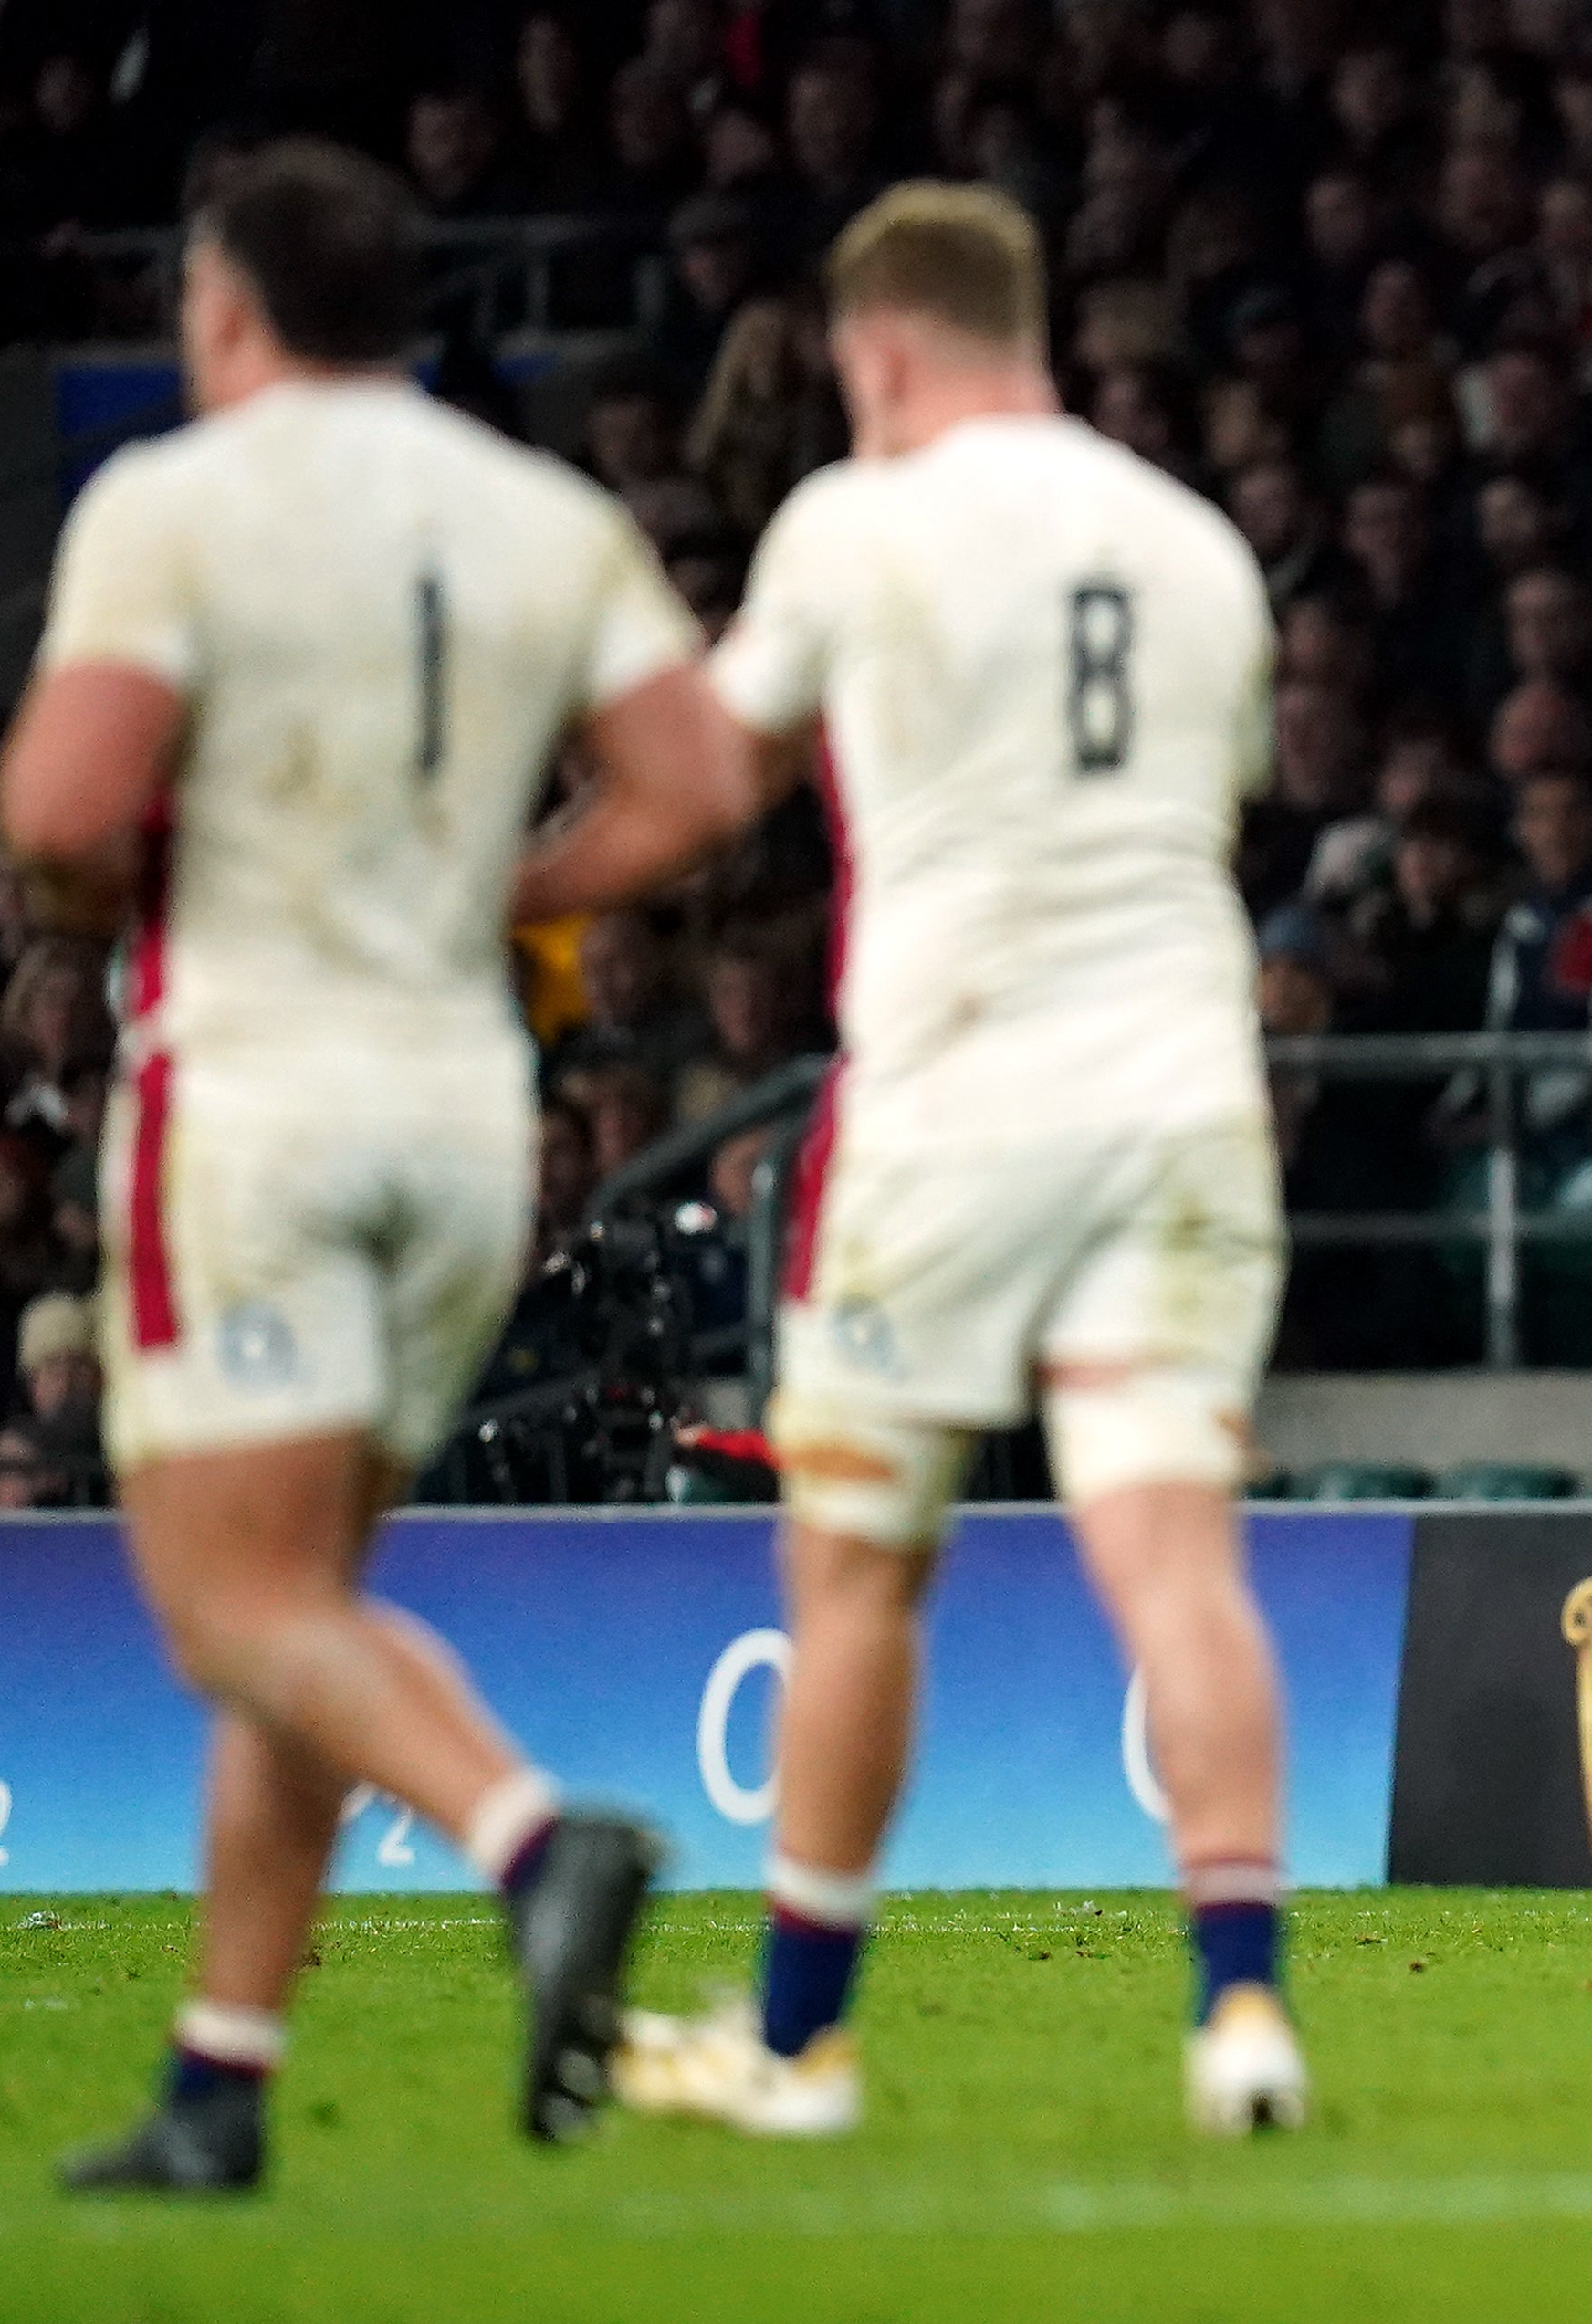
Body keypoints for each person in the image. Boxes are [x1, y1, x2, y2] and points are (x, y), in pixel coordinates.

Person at [511, 183, 1310, 2140]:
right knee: (1177, 1557)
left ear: (874, 351)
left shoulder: (853, 526)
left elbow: (704, 780)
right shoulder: (1199, 544)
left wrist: (496, 892)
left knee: (858, 1572)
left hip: (954, 1112)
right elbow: (1231, 788)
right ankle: (1243, 2021)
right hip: (1187, 1094)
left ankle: (799, 2047)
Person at [0, 141, 705, 2193]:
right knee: (309, 1610)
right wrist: (509, 884)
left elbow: (54, 808)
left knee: (232, 1610)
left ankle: (527, 1838)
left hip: (261, 1098)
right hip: (467, 1117)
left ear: (225, 309)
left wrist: (94, 869)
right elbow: (691, 783)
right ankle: (221, 2084)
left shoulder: (177, 503)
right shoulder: (541, 511)